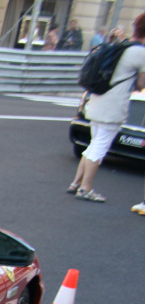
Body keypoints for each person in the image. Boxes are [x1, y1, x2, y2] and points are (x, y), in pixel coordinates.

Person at [67, 13, 145, 203]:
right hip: (113, 107)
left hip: (97, 100)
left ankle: (76, 183)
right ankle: (86, 188)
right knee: (100, 147)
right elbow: (142, 84)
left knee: (94, 144)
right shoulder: (141, 52)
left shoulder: (120, 46)